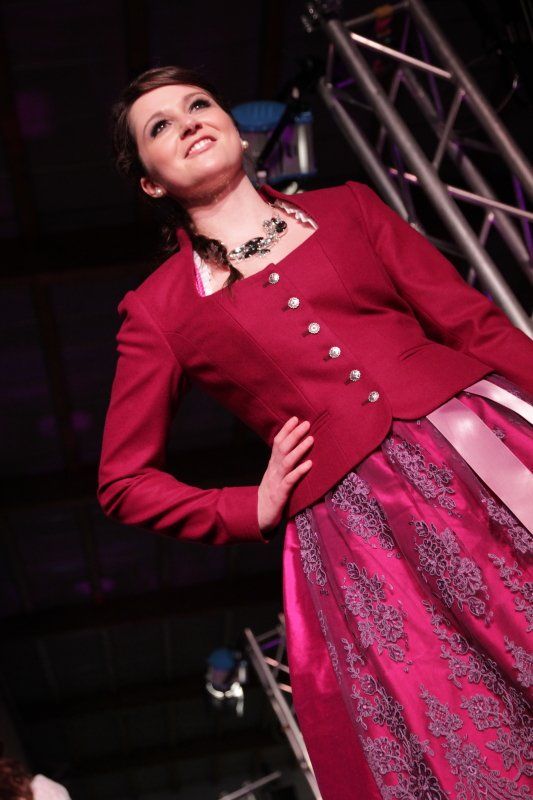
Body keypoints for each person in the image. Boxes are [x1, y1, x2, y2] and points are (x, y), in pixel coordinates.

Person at [97, 65, 533, 799]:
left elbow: (472, 325)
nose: (190, 121)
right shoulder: (158, 309)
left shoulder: (348, 206)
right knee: (469, 719)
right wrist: (251, 506)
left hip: (480, 456)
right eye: (160, 126)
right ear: (150, 182)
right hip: (362, 531)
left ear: (237, 130)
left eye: (199, 104)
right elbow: (122, 482)